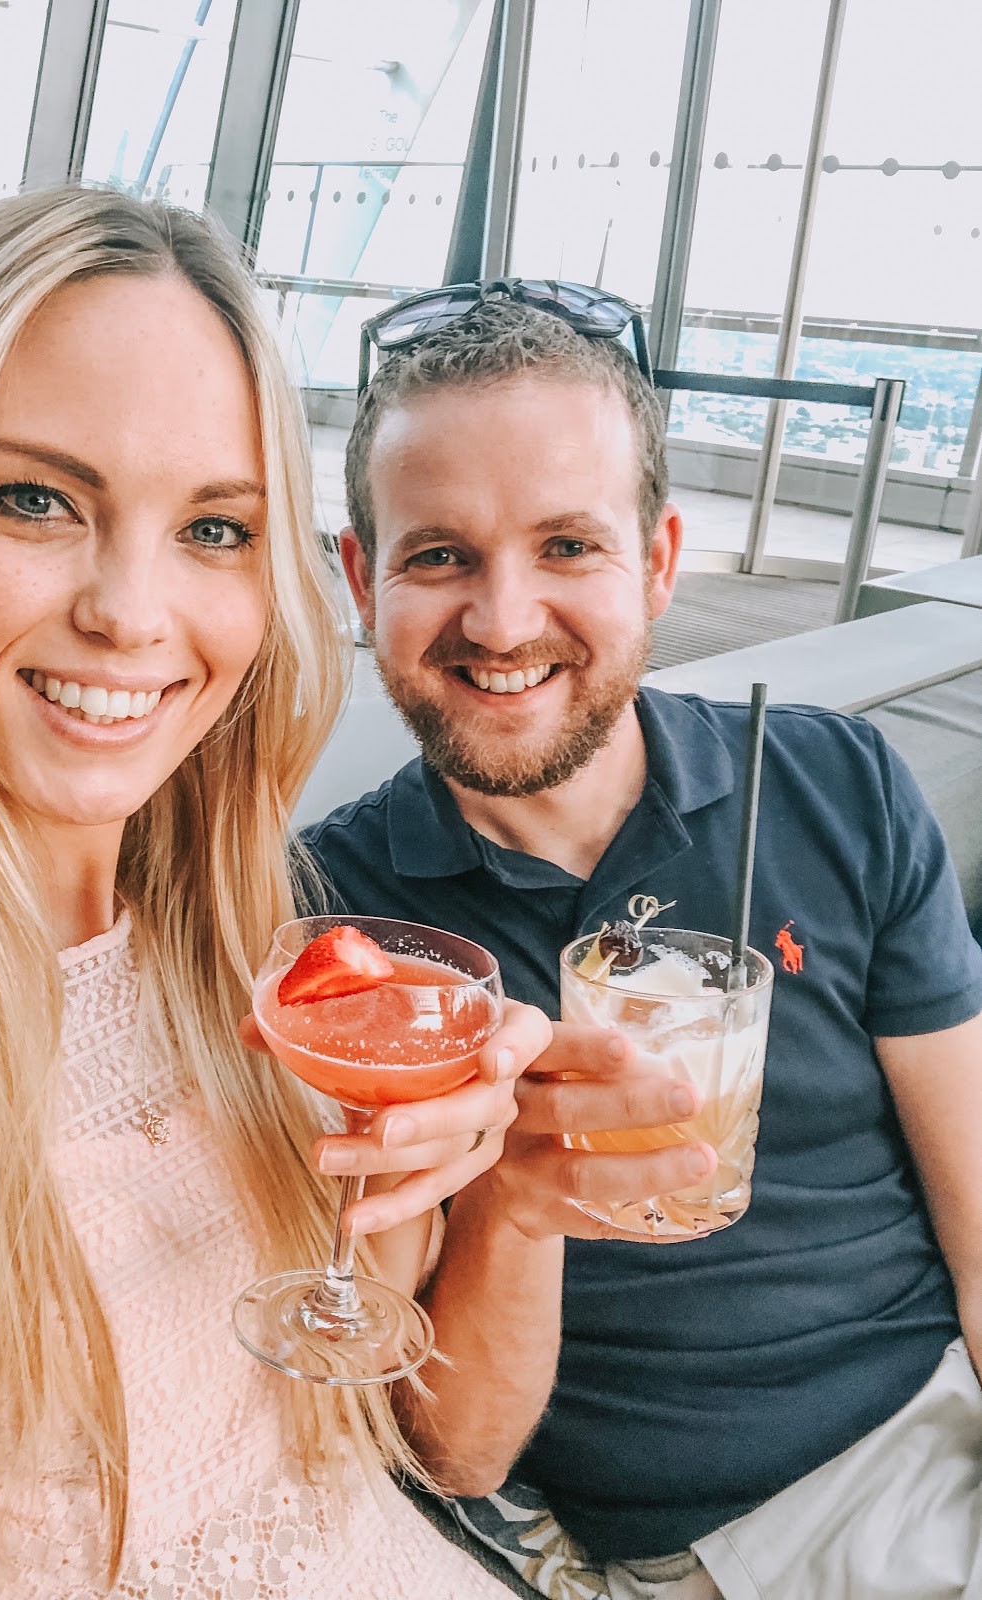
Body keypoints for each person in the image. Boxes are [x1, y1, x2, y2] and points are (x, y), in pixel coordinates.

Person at [0, 189, 554, 1600]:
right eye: (33, 499)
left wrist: (466, 1172)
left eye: (213, 528)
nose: (133, 614)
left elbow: (416, 1443)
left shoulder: (247, 950)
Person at [304, 290, 982, 1600]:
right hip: (727, 1533)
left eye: (567, 545)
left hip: (941, 1423)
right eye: (438, 555)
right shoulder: (340, 926)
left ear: (658, 564)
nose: (502, 621)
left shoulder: (836, 785)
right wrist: (513, 1197)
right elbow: (449, 1449)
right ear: (358, 579)